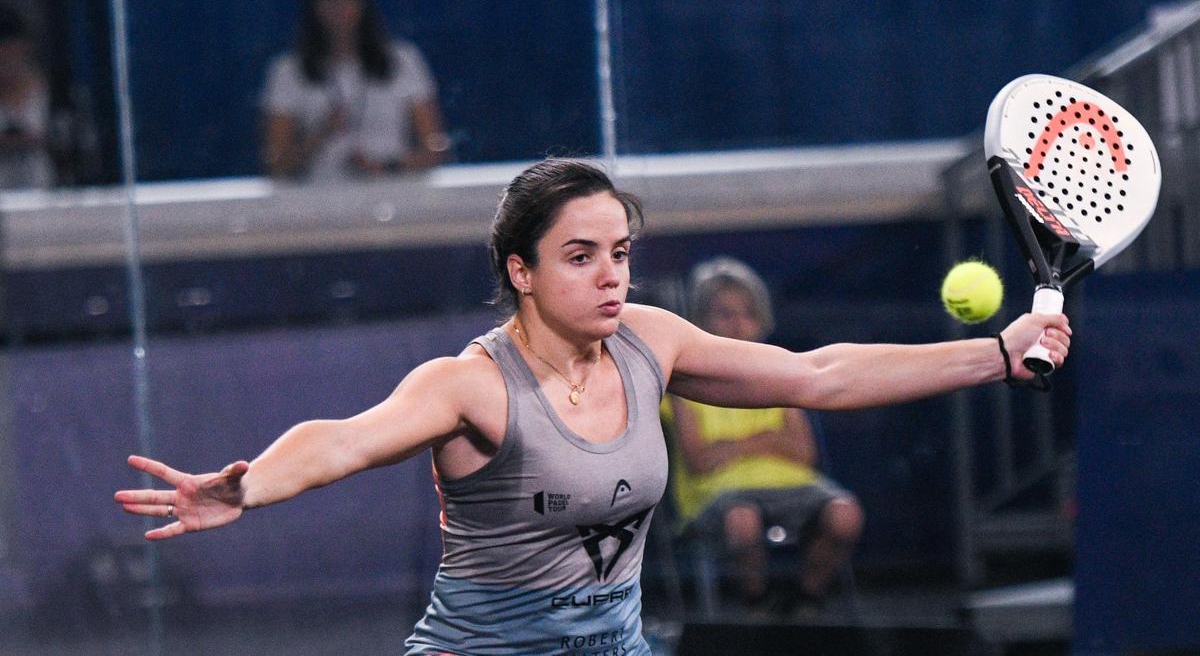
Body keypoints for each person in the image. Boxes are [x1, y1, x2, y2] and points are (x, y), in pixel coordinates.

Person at [114, 158, 1071, 654]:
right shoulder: (472, 384)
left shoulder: (654, 338)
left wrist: (992, 354)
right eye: (581, 256)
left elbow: (820, 373)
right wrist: (251, 488)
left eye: (619, 251)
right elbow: (348, 438)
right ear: (520, 272)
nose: (610, 273)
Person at [662, 257, 862, 611]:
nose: (738, 324)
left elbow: (803, 453)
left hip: (795, 487)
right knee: (744, 520)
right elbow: (700, 461)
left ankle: (804, 602)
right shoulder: (681, 384)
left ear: (761, 320)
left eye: (747, 314)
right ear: (699, 320)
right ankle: (757, 606)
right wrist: (768, 441)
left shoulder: (781, 372)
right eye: (724, 314)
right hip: (715, 499)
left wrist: (733, 447)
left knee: (846, 515)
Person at [261, 0, 448, 181]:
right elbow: (276, 165)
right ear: (313, 6)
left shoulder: (403, 60)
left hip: (394, 197)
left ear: (364, 2)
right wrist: (318, 135)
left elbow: (434, 150)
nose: (339, 7)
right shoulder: (288, 71)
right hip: (319, 203)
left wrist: (386, 165)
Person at [0, 1, 54, 189]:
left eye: (12, 53)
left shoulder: (45, 86)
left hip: (40, 190)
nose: (7, 62)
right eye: (2, 55)